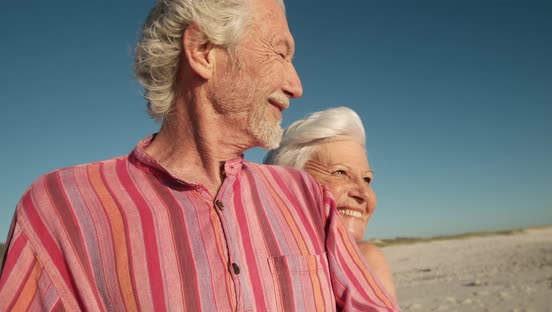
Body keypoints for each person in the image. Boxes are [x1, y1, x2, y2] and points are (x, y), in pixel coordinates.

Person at [0, 0, 400, 311]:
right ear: (204, 50)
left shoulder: (306, 197)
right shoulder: (61, 208)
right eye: (280, 54)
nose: (296, 86)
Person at [264, 107, 398, 299]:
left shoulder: (366, 260)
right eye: (340, 173)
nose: (364, 194)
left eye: (367, 179)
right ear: (286, 183)